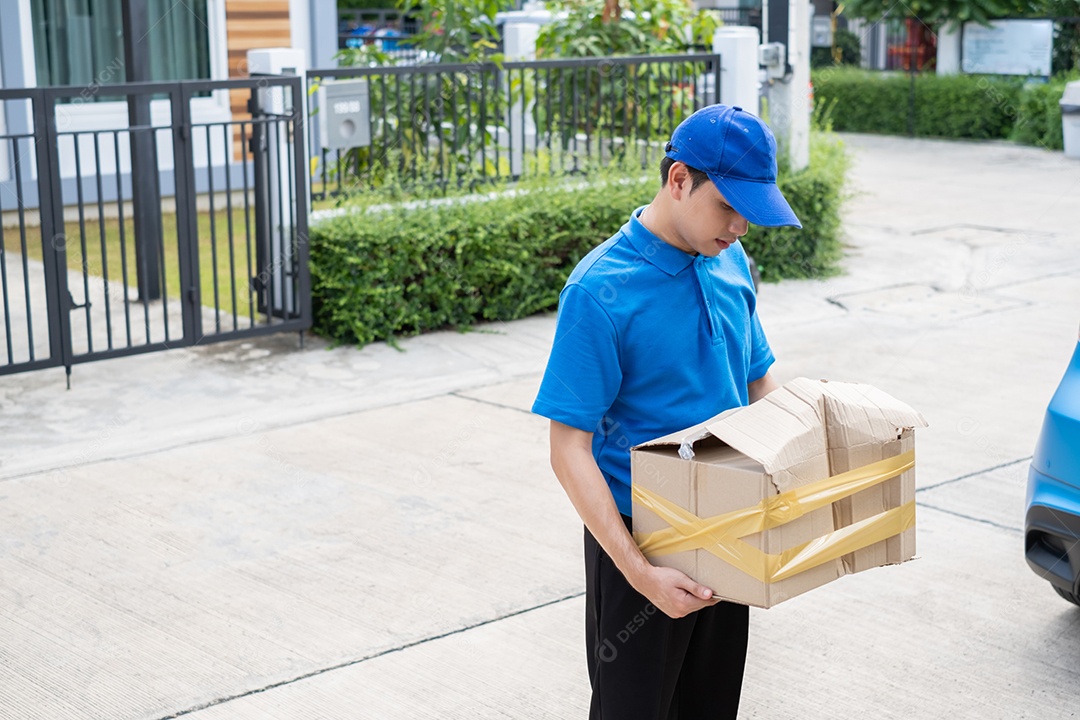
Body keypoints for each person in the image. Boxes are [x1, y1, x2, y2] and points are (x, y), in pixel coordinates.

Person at [531, 104, 802, 720]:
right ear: (679, 180)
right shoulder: (599, 291)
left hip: (728, 527)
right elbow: (567, 449)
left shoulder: (731, 263)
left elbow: (758, 386)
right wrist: (639, 573)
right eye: (728, 207)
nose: (739, 228)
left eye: (750, 213)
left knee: (710, 707)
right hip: (641, 539)